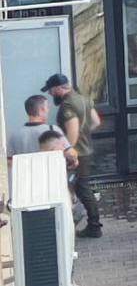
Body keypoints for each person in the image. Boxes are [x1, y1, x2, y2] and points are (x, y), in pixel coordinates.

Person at [45, 73, 102, 237]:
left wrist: (69, 152)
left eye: (50, 91)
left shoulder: (67, 106)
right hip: (86, 151)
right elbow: (96, 122)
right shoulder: (83, 99)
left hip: (77, 156)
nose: (50, 94)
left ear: (57, 88)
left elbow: (73, 130)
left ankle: (94, 226)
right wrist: (84, 134)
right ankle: (87, 223)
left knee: (82, 190)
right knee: (81, 188)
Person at [7, 95, 76, 176]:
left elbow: (9, 161)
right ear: (41, 110)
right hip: (49, 176)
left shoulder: (15, 135)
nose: (48, 110)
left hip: (27, 179)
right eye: (47, 108)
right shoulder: (52, 130)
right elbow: (71, 154)